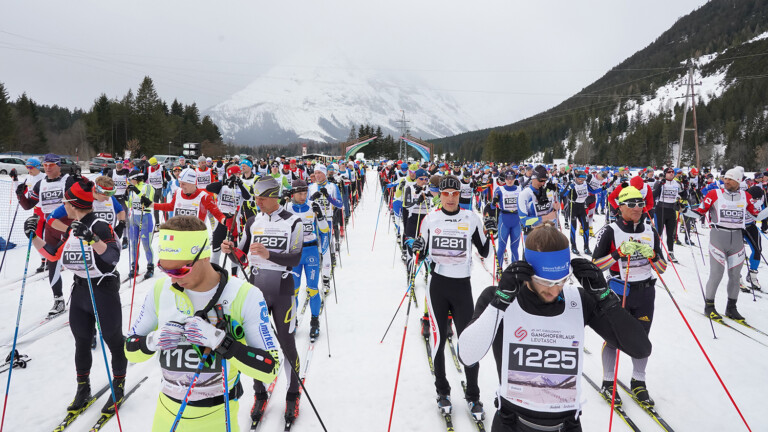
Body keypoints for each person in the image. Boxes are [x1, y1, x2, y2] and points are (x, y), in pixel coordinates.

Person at [457, 223, 653, 432]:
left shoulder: (579, 300)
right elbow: (467, 356)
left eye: (561, 281)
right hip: (511, 423)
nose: (554, 290)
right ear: (528, 271)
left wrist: (606, 299)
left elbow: (640, 349)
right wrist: (499, 302)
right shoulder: (499, 297)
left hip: (566, 425)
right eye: (546, 282)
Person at [125, 215, 280, 431]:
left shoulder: (245, 295)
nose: (173, 279)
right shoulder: (160, 290)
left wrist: (222, 342)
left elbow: (270, 368)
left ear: (205, 256)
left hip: (217, 419)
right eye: (165, 269)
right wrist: (151, 341)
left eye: (180, 270)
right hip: (165, 416)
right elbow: (130, 350)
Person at [25, 179, 128, 415]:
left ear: (73, 204)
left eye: (65, 201)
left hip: (103, 290)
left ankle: (118, 385)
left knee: (113, 340)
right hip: (80, 292)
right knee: (81, 342)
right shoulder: (73, 228)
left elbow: (113, 257)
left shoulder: (100, 226)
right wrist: (33, 236)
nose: (63, 204)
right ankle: (83, 388)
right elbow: (53, 255)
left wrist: (92, 239)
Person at [221, 176, 304, 424]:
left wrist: (269, 254)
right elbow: (241, 258)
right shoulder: (252, 221)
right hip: (256, 290)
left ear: (275, 197)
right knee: (255, 343)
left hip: (283, 290)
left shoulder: (294, 221)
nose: (258, 202)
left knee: (287, 343)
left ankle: (293, 393)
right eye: (256, 198)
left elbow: (295, 258)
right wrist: (231, 250)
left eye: (262, 198)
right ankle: (259, 392)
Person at [411, 175, 493, 421]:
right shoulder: (430, 219)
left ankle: (473, 395)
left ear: (460, 195)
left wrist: (491, 229)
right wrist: (416, 247)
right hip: (438, 284)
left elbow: (485, 250)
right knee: (438, 341)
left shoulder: (471, 218)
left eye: (454, 194)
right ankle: (442, 391)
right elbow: (421, 250)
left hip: (462, 286)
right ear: (440, 194)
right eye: (445, 193)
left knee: (468, 341)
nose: (450, 198)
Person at [591, 186, 667, 406]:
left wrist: (653, 256)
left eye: (640, 203)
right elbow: (596, 265)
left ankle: (638, 381)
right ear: (620, 206)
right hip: (619, 290)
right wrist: (618, 254)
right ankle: (608, 382)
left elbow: (662, 268)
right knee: (613, 338)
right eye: (631, 204)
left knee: (642, 338)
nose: (637, 208)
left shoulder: (650, 230)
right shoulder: (610, 230)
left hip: (645, 292)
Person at [684, 166, 762, 321]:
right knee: (716, 274)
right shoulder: (714, 194)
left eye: (730, 179)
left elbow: (756, 215)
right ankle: (709, 306)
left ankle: (731, 308)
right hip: (718, 238)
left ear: (738, 181)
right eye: (725, 178)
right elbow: (700, 212)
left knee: (735, 276)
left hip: (737, 239)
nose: (726, 181)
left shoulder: (745, 196)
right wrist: (684, 210)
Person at [15, 153, 77, 314]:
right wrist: (20, 194)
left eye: (51, 165)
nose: (48, 168)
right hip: (50, 229)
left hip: (67, 227)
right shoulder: (40, 184)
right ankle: (58, 300)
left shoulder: (67, 181)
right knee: (52, 263)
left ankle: (84, 294)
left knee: (77, 261)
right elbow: (28, 205)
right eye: (45, 165)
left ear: (58, 166)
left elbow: (80, 202)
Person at [285, 179, 330, 339]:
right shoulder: (287, 207)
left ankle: (315, 321)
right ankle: (293, 320)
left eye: (305, 193)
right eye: (300, 194)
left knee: (312, 289)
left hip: (311, 252)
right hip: (294, 253)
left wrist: (321, 215)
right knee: (294, 291)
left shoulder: (313, 206)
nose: (303, 197)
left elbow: (325, 229)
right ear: (293, 194)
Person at [307, 164, 343, 291]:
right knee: (314, 250)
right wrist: (312, 198)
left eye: (319, 173)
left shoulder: (332, 186)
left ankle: (326, 279)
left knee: (325, 249)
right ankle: (312, 280)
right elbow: (306, 204)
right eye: (315, 173)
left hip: (327, 221)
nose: (317, 175)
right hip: (312, 221)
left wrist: (328, 196)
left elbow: (340, 204)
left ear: (325, 173)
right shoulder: (311, 187)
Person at [126, 169, 156, 279]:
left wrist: (137, 191)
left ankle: (150, 266)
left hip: (145, 217)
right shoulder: (132, 189)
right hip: (134, 217)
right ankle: (134, 266)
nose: (129, 182)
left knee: (146, 244)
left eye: (130, 180)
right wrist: (126, 197)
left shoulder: (147, 187)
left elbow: (147, 201)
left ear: (136, 179)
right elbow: (130, 205)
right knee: (133, 243)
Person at [652, 167, 685, 263]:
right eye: (669, 172)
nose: (671, 173)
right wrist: (660, 185)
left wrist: (680, 201)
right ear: (665, 173)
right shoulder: (659, 182)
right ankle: (657, 252)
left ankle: (670, 253)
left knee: (671, 234)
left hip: (671, 210)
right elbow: (654, 195)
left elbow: (683, 195)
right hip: (660, 210)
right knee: (658, 233)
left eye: (672, 172)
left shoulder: (677, 183)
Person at [490, 171, 521, 269]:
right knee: (501, 247)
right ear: (505, 179)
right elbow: (492, 206)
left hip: (516, 220)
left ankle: (515, 270)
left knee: (515, 248)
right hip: (504, 219)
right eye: (507, 178)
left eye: (511, 178)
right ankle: (499, 270)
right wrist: (494, 201)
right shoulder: (500, 189)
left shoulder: (520, 189)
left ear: (514, 178)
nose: (509, 180)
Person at [518, 165, 559, 238]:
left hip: (549, 234)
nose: (543, 183)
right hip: (533, 236)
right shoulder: (525, 194)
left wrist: (555, 208)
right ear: (533, 178)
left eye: (545, 181)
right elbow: (524, 221)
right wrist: (545, 218)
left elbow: (553, 214)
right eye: (540, 180)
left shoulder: (548, 191)